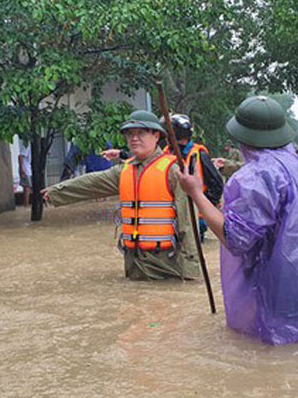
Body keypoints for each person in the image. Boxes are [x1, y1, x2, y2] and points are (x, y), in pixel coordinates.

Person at [177, 96, 298, 345]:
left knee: (278, 363)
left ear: (242, 137)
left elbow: (235, 238)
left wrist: (196, 194)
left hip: (278, 292)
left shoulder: (255, 177)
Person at [42, 110, 200, 280]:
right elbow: (93, 183)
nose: (134, 138)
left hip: (167, 264)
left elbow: (188, 222)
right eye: (130, 134)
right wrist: (56, 192)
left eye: (141, 133)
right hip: (134, 262)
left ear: (156, 136)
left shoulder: (173, 170)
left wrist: (191, 269)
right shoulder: (124, 170)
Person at [166, 114, 223, 242]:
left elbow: (216, 184)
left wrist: (207, 205)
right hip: (173, 212)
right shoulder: (167, 152)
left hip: (196, 213)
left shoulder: (198, 154)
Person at [18, 139, 32, 207]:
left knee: (27, 188)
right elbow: (20, 156)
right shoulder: (27, 145)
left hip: (28, 169)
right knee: (27, 188)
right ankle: (26, 205)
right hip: (25, 169)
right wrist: (22, 169)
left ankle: (26, 205)